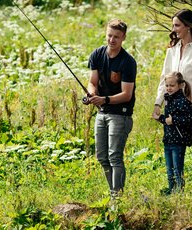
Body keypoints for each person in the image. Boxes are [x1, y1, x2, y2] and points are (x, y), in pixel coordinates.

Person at [84, 18, 137, 199]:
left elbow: (126, 94)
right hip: (102, 113)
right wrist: (91, 95)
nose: (111, 40)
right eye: (109, 35)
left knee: (115, 157)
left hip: (120, 115)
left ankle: (117, 197)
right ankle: (114, 192)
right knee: (102, 157)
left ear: (123, 38)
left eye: (116, 37)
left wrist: (104, 99)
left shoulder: (128, 62)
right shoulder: (97, 55)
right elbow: (92, 82)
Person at [153, 9, 192, 161]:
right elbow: (163, 78)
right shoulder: (172, 50)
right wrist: (158, 103)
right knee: (175, 152)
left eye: (177, 25)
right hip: (174, 110)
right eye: (173, 26)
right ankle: (177, 185)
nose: (173, 30)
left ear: (188, 26)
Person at [152, 71, 192, 195]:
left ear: (180, 85)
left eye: (172, 85)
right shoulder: (168, 100)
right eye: (167, 85)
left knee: (177, 169)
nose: (169, 88)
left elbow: (188, 118)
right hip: (168, 139)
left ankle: (179, 191)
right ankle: (171, 189)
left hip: (178, 141)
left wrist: (173, 120)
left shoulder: (184, 102)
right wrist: (159, 118)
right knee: (169, 168)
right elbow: (168, 120)